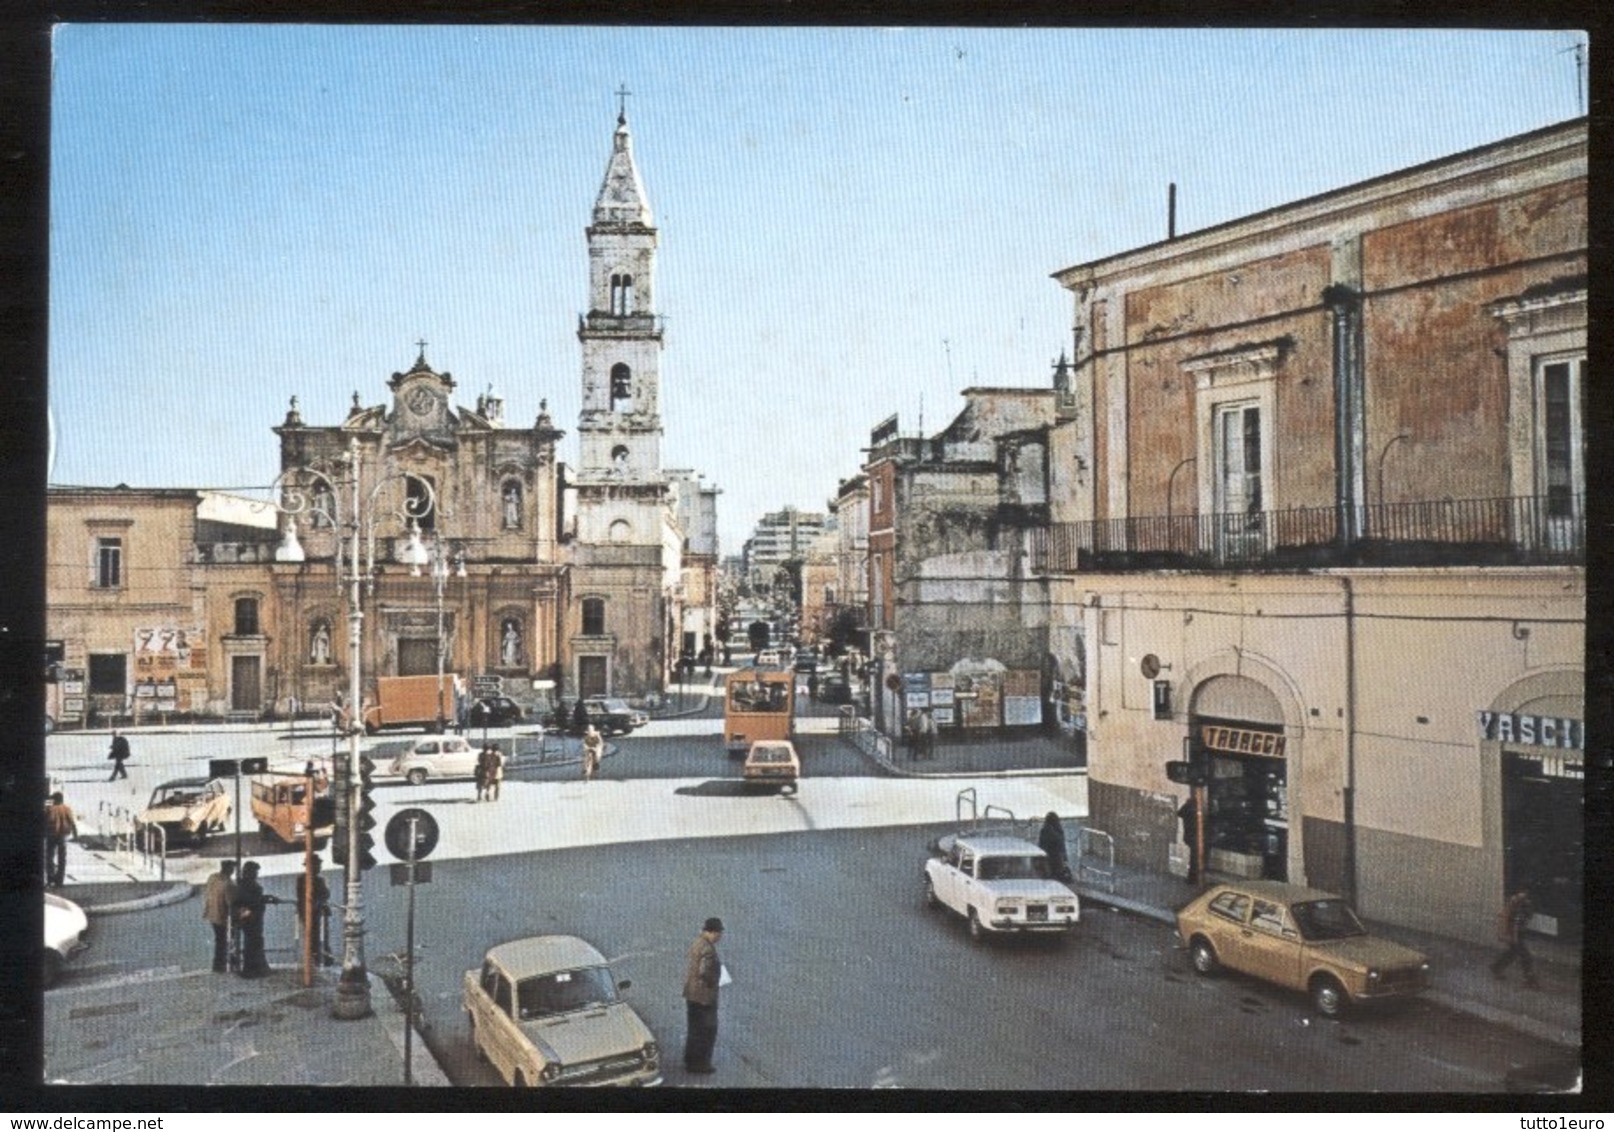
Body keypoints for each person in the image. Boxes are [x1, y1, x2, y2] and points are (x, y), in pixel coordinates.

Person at [683, 916, 725, 1074]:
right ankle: (701, 1064)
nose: (720, 937)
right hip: (704, 997)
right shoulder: (708, 949)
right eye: (719, 933)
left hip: (692, 994)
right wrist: (715, 980)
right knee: (707, 1031)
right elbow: (704, 971)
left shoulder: (697, 943)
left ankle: (690, 1060)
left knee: (693, 1030)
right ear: (712, 932)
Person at [233, 860, 279, 978]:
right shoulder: (245, 885)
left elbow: (254, 899)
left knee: (254, 943)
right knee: (253, 943)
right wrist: (264, 899)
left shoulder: (245, 883)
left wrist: (266, 898)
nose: (256, 874)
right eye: (255, 871)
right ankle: (252, 970)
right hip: (251, 917)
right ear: (248, 872)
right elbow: (251, 901)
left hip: (252, 917)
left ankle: (257, 968)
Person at [1491, 888, 1539, 988]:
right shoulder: (1523, 907)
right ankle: (1529, 979)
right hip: (1516, 934)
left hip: (1516, 933)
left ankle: (1496, 967)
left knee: (1513, 953)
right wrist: (1515, 938)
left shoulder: (1521, 905)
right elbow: (1515, 924)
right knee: (1525, 956)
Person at [202, 860, 237, 972]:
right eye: (232, 868)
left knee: (220, 940)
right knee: (226, 940)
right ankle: (223, 964)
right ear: (229, 869)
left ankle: (219, 964)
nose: (233, 871)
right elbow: (231, 902)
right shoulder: (228, 884)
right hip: (222, 916)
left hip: (212, 913)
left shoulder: (213, 877)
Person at [300, 856, 332, 967]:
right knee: (315, 937)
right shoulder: (303, 879)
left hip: (318, 912)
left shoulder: (319, 880)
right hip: (310, 912)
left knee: (322, 936)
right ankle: (318, 959)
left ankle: (323, 958)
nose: (319, 867)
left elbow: (326, 894)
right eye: (317, 865)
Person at [44, 792, 77, 888]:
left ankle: (50, 878)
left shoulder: (50, 809)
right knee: (62, 858)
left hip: (51, 835)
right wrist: (75, 834)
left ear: (55, 800)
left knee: (49, 857)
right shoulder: (67, 809)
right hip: (62, 835)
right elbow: (72, 821)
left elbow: (45, 821)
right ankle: (60, 880)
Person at [1038, 811, 1073, 883]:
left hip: (1049, 856)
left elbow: (1042, 844)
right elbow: (1061, 844)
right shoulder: (1058, 829)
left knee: (1051, 875)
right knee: (1057, 874)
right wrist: (1065, 858)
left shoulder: (1045, 830)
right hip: (1057, 856)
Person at [1177, 795, 1201, 884]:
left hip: (1189, 836)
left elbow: (1179, 813)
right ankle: (1193, 878)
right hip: (1194, 836)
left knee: (1193, 857)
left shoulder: (1187, 809)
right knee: (1194, 858)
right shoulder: (1194, 810)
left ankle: (1192, 878)